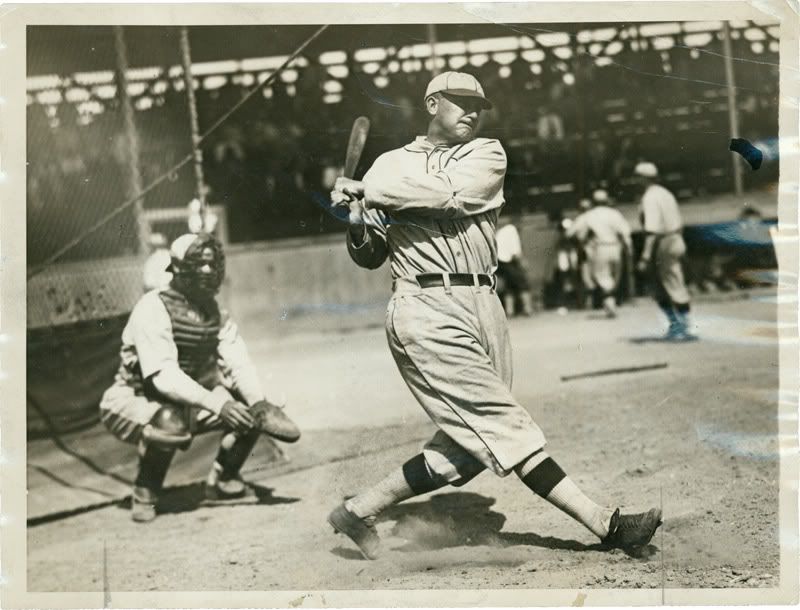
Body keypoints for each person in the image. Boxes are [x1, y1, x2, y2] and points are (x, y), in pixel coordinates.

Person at [327, 71, 662, 560]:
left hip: (485, 302)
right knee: (504, 424)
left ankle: (357, 511)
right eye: (461, 102)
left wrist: (368, 192)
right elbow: (371, 253)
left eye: (478, 104)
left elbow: (449, 197)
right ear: (431, 103)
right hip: (423, 306)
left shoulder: (486, 153)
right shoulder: (386, 166)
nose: (472, 111)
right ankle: (605, 522)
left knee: (467, 449)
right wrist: (356, 218)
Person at [100, 232, 301, 522]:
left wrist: (258, 403)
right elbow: (162, 377)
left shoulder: (215, 312)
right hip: (134, 398)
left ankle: (222, 481)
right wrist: (218, 405)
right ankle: (145, 490)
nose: (207, 271)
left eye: (212, 263)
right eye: (199, 263)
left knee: (248, 411)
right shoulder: (153, 307)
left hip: (188, 401)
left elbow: (238, 363)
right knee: (170, 421)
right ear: (178, 268)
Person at [633, 162, 697, 341]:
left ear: (643, 178)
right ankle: (681, 325)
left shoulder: (650, 197)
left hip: (663, 242)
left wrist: (645, 256)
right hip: (676, 238)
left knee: (668, 284)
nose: (635, 181)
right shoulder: (666, 193)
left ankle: (683, 327)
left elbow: (652, 230)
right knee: (669, 283)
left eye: (637, 177)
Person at [566, 189, 633, 318]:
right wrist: (628, 247)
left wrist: (583, 238)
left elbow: (570, 232)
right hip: (616, 246)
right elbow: (626, 232)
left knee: (603, 277)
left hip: (600, 247)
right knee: (614, 277)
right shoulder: (615, 214)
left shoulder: (589, 215)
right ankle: (610, 302)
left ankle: (610, 303)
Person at [496, 214, 534, 317]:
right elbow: (516, 252)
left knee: (509, 286)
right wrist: (523, 263)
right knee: (523, 284)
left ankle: (510, 311)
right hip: (508, 261)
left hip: (498, 261)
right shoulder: (513, 230)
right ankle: (528, 309)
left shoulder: (502, 230)